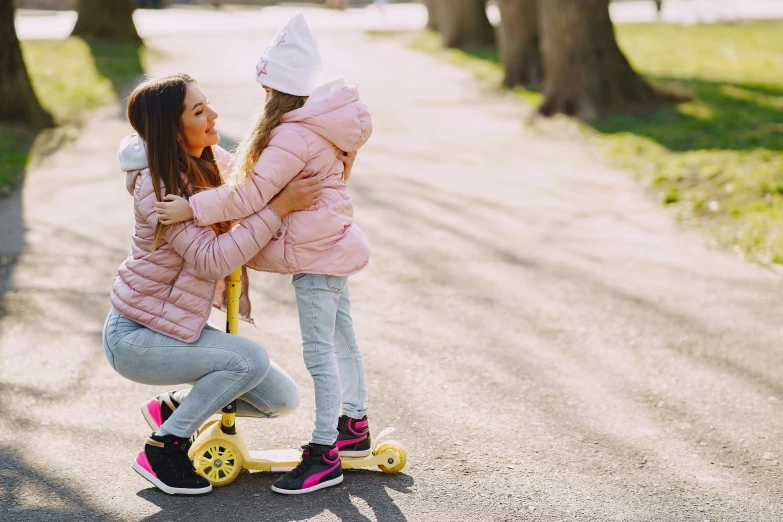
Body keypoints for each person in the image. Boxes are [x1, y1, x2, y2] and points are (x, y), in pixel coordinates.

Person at [155, 13, 373, 494]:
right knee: (342, 343)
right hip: (331, 245)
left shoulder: (292, 134)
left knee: (320, 353)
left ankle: (324, 453)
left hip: (318, 255)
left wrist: (190, 207)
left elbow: (248, 196)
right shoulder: (318, 125)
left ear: (276, 89)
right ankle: (353, 427)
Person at [103, 73, 324, 496]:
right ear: (172, 127)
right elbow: (212, 259)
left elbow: (253, 187)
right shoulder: (157, 186)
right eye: (199, 110)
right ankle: (164, 448)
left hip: (176, 328)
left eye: (208, 105)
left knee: (279, 400)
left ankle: (173, 409)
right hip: (137, 336)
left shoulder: (208, 159)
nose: (213, 115)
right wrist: (281, 207)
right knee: (248, 361)